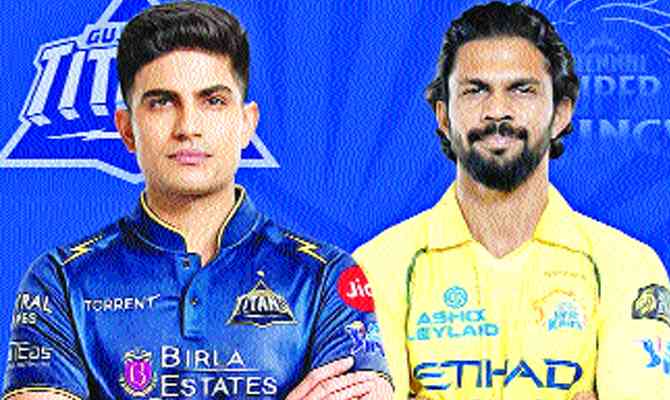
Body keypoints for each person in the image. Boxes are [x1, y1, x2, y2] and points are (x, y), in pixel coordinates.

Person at [2, 2, 392, 399]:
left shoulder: (326, 277)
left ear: (246, 123)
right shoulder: (62, 280)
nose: (188, 127)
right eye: (162, 102)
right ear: (127, 129)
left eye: (213, 101)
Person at [353, 2, 670, 399]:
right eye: (475, 90)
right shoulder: (377, 268)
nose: (497, 111)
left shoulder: (626, 266)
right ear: (444, 117)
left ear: (560, 113)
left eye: (522, 89)